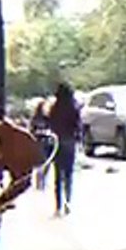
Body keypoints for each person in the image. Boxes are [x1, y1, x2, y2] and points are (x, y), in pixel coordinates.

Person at [48, 82, 81, 216]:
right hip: (70, 142)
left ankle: (58, 205)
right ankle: (68, 201)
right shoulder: (74, 107)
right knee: (69, 175)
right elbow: (78, 125)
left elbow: (50, 123)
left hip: (57, 142)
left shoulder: (55, 107)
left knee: (57, 176)